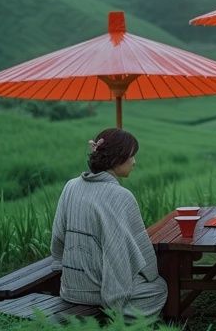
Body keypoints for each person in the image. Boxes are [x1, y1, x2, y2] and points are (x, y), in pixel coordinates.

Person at [50, 128, 167, 318]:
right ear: (117, 158)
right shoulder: (122, 196)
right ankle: (122, 320)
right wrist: (152, 273)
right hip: (100, 292)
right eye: (132, 156)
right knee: (158, 287)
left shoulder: (70, 186)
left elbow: (58, 236)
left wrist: (60, 265)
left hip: (71, 288)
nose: (134, 162)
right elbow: (136, 245)